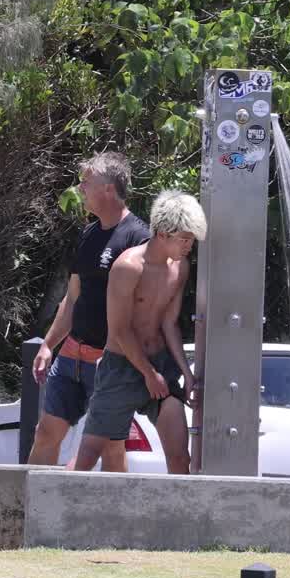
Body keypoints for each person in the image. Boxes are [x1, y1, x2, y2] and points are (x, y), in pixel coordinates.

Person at [29, 152, 151, 469]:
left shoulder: (138, 237)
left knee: (111, 447)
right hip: (71, 355)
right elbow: (72, 298)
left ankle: (110, 504)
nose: (80, 188)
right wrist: (48, 344)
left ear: (108, 188)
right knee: (45, 433)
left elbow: (146, 309)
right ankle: (35, 500)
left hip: (109, 362)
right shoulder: (87, 234)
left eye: (87, 182)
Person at [72, 190, 206, 475]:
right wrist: (148, 374)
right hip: (121, 368)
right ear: (162, 234)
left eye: (192, 239)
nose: (189, 246)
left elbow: (169, 323)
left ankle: (179, 507)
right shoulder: (127, 266)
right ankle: (54, 501)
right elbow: (120, 330)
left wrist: (187, 373)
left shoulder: (180, 267)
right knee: (88, 456)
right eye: (184, 239)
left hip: (161, 367)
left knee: (180, 458)